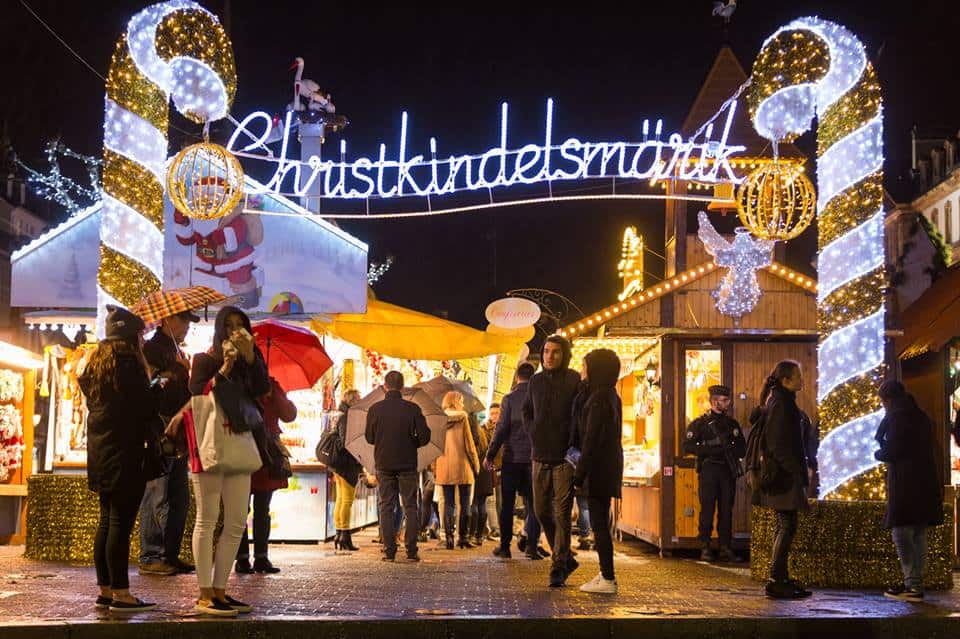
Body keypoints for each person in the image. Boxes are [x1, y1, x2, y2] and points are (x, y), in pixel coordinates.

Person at [79, 305, 162, 613]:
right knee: (120, 525)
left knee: (106, 522)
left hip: (102, 455)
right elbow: (145, 409)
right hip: (126, 455)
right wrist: (156, 386)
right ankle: (122, 594)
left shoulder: (98, 367)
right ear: (131, 337)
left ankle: (107, 590)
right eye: (140, 335)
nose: (143, 341)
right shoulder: (129, 365)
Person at [189, 306, 270, 616]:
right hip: (209, 445)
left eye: (241, 325)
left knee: (236, 520)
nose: (237, 331)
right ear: (220, 329)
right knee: (207, 518)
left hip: (239, 445)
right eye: (231, 325)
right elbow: (199, 392)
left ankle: (221, 590)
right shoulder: (204, 360)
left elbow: (263, 391)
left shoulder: (252, 360)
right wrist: (226, 365)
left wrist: (250, 358)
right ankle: (204, 592)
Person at [138, 310, 198, 577]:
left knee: (179, 497)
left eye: (188, 322)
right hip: (160, 426)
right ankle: (151, 555)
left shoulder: (178, 352)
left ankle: (169, 554)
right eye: (183, 320)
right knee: (157, 493)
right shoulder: (150, 350)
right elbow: (149, 384)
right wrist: (172, 373)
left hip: (180, 429)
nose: (186, 326)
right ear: (166, 320)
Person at [875, 380, 944, 601]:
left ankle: (912, 585)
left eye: (883, 401)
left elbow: (892, 450)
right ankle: (916, 584)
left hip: (906, 483)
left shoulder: (898, 417)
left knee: (902, 532)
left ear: (887, 399)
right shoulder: (920, 415)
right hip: (925, 481)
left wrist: (879, 453)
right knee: (918, 532)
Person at [522, 335, 582, 588]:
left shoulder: (574, 380)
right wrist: (533, 430)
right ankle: (566, 555)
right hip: (539, 454)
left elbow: (579, 414)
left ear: (564, 354)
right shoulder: (535, 381)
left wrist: (573, 441)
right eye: (546, 351)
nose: (549, 356)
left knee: (561, 512)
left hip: (564, 457)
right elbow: (526, 410)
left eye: (555, 352)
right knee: (541, 510)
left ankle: (558, 565)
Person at [752, 360, 812, 600]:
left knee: (785, 525)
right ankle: (777, 580)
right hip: (784, 476)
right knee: (787, 526)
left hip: (782, 474)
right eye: (798, 376)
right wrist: (796, 469)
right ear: (786, 381)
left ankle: (780, 577)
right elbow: (777, 443)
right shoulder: (782, 404)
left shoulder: (779, 400)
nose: (802, 380)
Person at [572, 349, 624, 594]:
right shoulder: (609, 395)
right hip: (606, 468)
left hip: (598, 470)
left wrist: (579, 473)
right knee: (600, 522)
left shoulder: (599, 398)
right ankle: (605, 574)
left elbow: (591, 439)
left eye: (585, 367)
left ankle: (608, 577)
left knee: (599, 524)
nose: (582, 371)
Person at [364, 371, 431, 561]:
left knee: (386, 505)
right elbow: (425, 437)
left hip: (384, 463)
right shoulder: (413, 409)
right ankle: (411, 550)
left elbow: (369, 438)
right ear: (402, 387)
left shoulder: (375, 409)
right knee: (410, 505)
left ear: (385, 386)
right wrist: (412, 443)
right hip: (407, 463)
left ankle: (390, 550)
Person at [235, 376, 297, 573]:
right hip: (263, 451)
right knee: (260, 509)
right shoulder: (269, 385)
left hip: (243, 448)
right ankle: (259, 557)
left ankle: (244, 558)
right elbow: (289, 414)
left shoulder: (236, 382)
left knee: (240, 510)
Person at [683, 384, 746, 563]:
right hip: (709, 470)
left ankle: (725, 546)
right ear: (713, 401)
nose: (727, 403)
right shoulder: (700, 424)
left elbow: (742, 447)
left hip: (727, 470)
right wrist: (709, 450)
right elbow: (687, 445)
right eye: (723, 400)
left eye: (727, 400)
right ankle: (705, 546)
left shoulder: (732, 424)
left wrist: (731, 452)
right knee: (708, 509)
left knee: (727, 509)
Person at [486, 363, 543, 560]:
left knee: (507, 505)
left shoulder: (509, 399)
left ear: (517, 377)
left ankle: (505, 547)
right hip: (534, 458)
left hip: (511, 459)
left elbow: (501, 429)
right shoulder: (539, 397)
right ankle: (532, 547)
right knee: (533, 504)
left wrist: (490, 455)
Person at [436, 391, 481, 549]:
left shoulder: (438, 419)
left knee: (448, 504)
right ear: (455, 402)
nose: (463, 404)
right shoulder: (463, 418)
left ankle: (448, 538)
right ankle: (463, 538)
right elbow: (469, 444)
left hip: (444, 466)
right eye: (461, 401)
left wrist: (435, 466)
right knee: (465, 503)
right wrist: (476, 464)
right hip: (463, 466)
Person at [330, 389, 364, 551]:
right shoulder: (346, 417)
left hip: (339, 464)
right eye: (358, 399)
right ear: (352, 401)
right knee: (346, 501)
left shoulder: (338, 414)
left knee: (341, 499)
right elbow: (345, 442)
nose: (360, 401)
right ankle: (345, 535)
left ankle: (339, 534)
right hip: (346, 464)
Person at [469, 410, 495, 547]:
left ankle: (472, 534)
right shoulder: (485, 434)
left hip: (475, 471)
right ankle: (479, 536)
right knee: (482, 504)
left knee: (473, 504)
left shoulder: (473, 436)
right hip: (486, 473)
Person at [482, 404, 502, 540]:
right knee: (491, 501)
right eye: (492, 413)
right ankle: (495, 528)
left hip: (502, 468)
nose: (494, 416)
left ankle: (499, 527)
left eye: (497, 413)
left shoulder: (504, 428)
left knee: (501, 502)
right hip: (491, 470)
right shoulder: (484, 429)